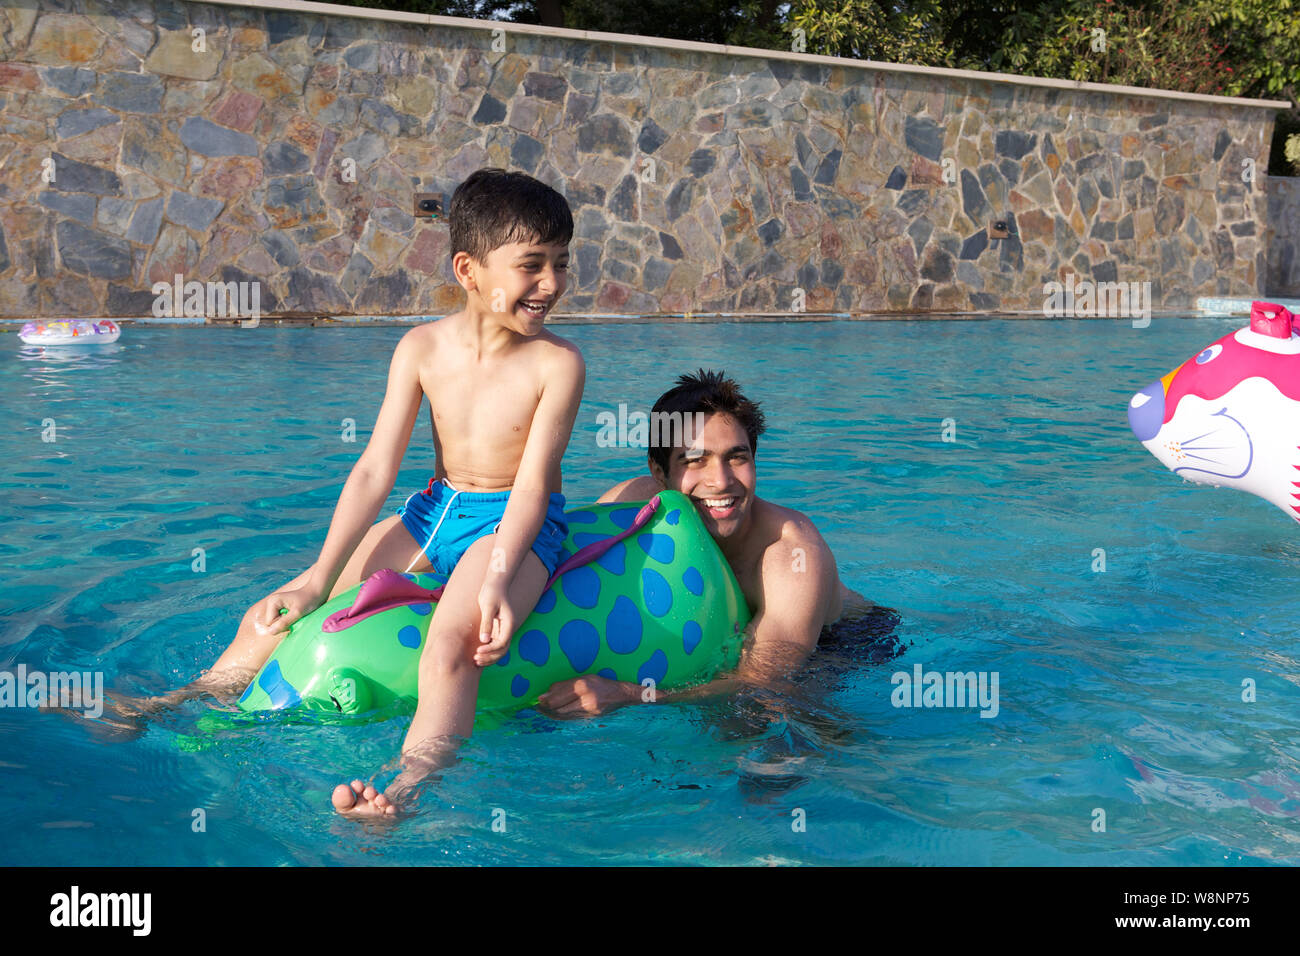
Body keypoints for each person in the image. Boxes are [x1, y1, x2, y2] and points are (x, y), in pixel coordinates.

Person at [116, 168, 585, 818]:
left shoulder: (557, 364)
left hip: (515, 523)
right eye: (533, 266)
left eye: (561, 264)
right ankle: (171, 704)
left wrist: (500, 579)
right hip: (435, 512)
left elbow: (533, 487)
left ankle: (406, 785)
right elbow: (373, 471)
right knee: (287, 606)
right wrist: (316, 576)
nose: (553, 285)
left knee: (454, 643)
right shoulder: (421, 348)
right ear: (468, 269)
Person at [537, 370, 874, 717]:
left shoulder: (790, 555)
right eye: (695, 461)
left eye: (737, 457)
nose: (721, 481)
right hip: (728, 635)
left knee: (760, 729)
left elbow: (762, 685)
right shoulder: (634, 506)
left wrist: (631, 695)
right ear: (659, 472)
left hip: (840, 644)